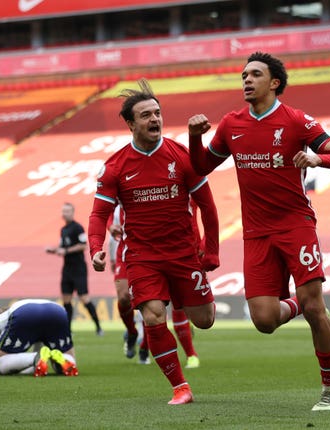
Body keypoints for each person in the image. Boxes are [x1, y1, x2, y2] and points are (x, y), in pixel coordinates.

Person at [187, 51, 330, 411]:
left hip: (296, 226)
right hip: (256, 233)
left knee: (316, 309)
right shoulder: (231, 124)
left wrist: (317, 158)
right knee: (264, 320)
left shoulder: (296, 121)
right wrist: (193, 138)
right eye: (244, 75)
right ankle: (299, 300)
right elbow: (202, 165)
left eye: (255, 75)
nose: (246, 80)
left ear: (274, 83)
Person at [88, 79, 219, 405]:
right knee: (153, 317)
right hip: (143, 256)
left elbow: (207, 205)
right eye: (146, 115)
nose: (154, 119)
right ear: (131, 124)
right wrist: (96, 248)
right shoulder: (115, 167)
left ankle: (180, 299)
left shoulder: (181, 156)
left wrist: (211, 248)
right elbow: (98, 215)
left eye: (157, 113)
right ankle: (180, 387)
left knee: (204, 320)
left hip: (184, 253)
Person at [109, 204, 201, 368]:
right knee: (124, 298)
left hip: (161, 247)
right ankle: (132, 332)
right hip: (128, 249)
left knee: (161, 303)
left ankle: (188, 354)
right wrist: (109, 228)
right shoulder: (123, 182)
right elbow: (105, 207)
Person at [0, 299, 78, 377]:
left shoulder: (0, 319)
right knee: (68, 357)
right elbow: (40, 345)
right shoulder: (19, 307)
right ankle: (61, 358)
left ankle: (34, 359)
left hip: (25, 313)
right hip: (58, 311)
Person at [46, 202, 102, 335]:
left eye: (67, 211)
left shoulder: (78, 228)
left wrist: (66, 251)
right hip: (67, 269)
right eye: (63, 211)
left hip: (79, 269)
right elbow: (62, 248)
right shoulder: (63, 230)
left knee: (84, 298)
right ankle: (68, 330)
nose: (65, 213)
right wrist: (53, 250)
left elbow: (83, 245)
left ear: (72, 212)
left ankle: (98, 327)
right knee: (66, 299)